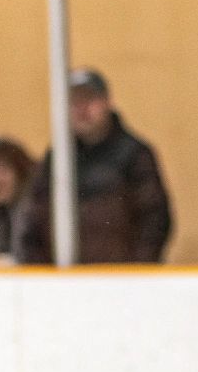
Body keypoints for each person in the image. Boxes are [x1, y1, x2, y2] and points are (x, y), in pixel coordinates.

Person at [20, 68, 172, 264]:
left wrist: (138, 270)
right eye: (74, 102)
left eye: (89, 99)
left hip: (123, 280)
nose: (82, 109)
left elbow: (155, 218)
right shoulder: (57, 157)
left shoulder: (134, 154)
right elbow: (34, 217)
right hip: (65, 282)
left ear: (107, 103)